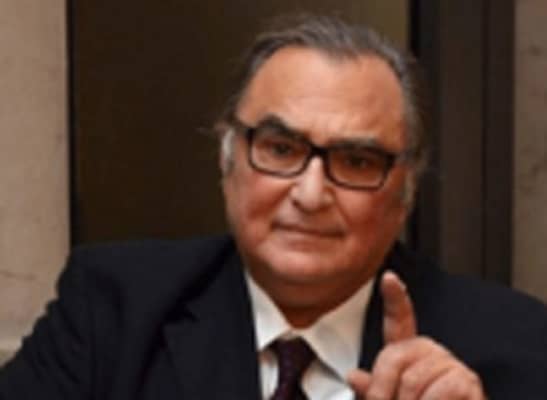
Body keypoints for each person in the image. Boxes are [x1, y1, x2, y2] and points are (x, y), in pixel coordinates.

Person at [1, 15, 547, 400]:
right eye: (280, 149)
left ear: (405, 192)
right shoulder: (111, 308)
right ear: (228, 161)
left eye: (357, 162)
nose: (310, 195)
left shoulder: (516, 344)